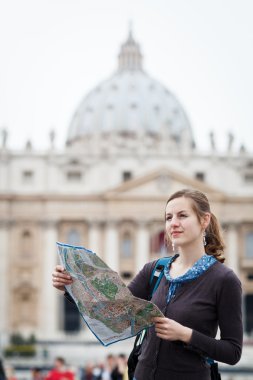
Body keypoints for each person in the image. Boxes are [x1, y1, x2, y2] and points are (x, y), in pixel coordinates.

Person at [52, 189, 243, 380]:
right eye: (168, 218)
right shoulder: (154, 270)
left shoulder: (224, 280)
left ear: (204, 220)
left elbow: (232, 352)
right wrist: (71, 285)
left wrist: (185, 334)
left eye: (182, 216)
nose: (173, 223)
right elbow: (113, 310)